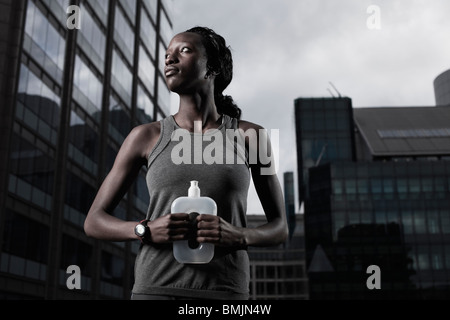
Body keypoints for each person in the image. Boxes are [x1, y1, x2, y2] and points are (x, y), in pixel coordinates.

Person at [84, 26, 288, 300]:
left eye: (184, 50)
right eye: (167, 54)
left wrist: (238, 235)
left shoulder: (252, 137)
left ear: (212, 68)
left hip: (226, 293)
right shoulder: (145, 136)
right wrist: (144, 229)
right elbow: (94, 221)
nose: (169, 59)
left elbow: (280, 228)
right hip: (155, 289)